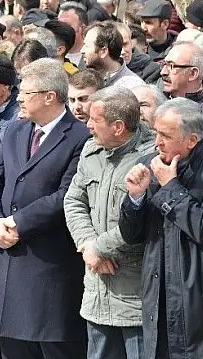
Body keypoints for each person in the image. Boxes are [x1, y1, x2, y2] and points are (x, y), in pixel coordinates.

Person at [0, 58, 90, 359]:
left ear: (49, 96)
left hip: (47, 268)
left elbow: (66, 195)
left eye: (26, 93)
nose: (19, 99)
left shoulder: (80, 137)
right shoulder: (15, 130)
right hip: (5, 262)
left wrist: (17, 223)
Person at [118, 97, 203, 359]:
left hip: (195, 293)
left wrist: (171, 187)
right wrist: (135, 198)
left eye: (166, 135)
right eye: (156, 133)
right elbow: (132, 235)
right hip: (155, 289)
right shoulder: (150, 161)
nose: (157, 142)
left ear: (192, 140)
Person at [65, 86, 155, 359]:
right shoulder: (91, 149)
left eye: (95, 120)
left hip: (134, 295)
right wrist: (87, 245)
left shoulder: (149, 157)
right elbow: (73, 201)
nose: (88, 125)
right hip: (97, 287)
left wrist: (99, 248)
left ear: (118, 127)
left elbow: (141, 220)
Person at [161, 42, 203, 122]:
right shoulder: (156, 100)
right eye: (164, 64)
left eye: (171, 66)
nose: (163, 72)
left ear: (193, 73)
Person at [82, 22, 144, 89]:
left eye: (86, 46)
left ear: (103, 51)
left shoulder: (133, 87)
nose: (82, 50)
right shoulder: (84, 79)